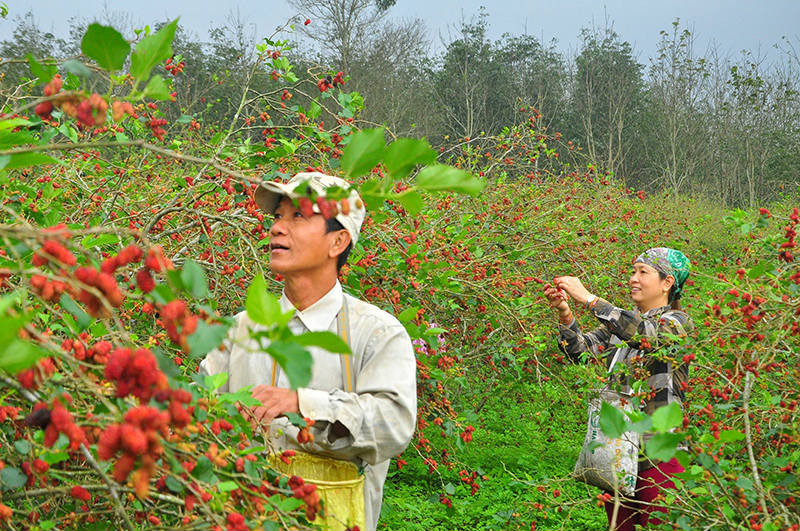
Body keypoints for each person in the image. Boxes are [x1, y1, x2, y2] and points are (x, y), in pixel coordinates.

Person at [199, 172, 417, 531]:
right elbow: (200, 413)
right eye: (277, 216)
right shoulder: (238, 331)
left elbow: (393, 425)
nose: (277, 228)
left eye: (298, 216)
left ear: (338, 242)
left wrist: (303, 404)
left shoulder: (377, 334)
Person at [543, 247, 695, 531]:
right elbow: (581, 353)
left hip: (659, 452)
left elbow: (643, 334)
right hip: (618, 450)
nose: (633, 278)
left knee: (660, 525)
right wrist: (565, 315)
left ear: (667, 282)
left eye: (643, 272)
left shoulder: (678, 323)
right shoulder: (618, 327)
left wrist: (589, 299)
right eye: (633, 271)